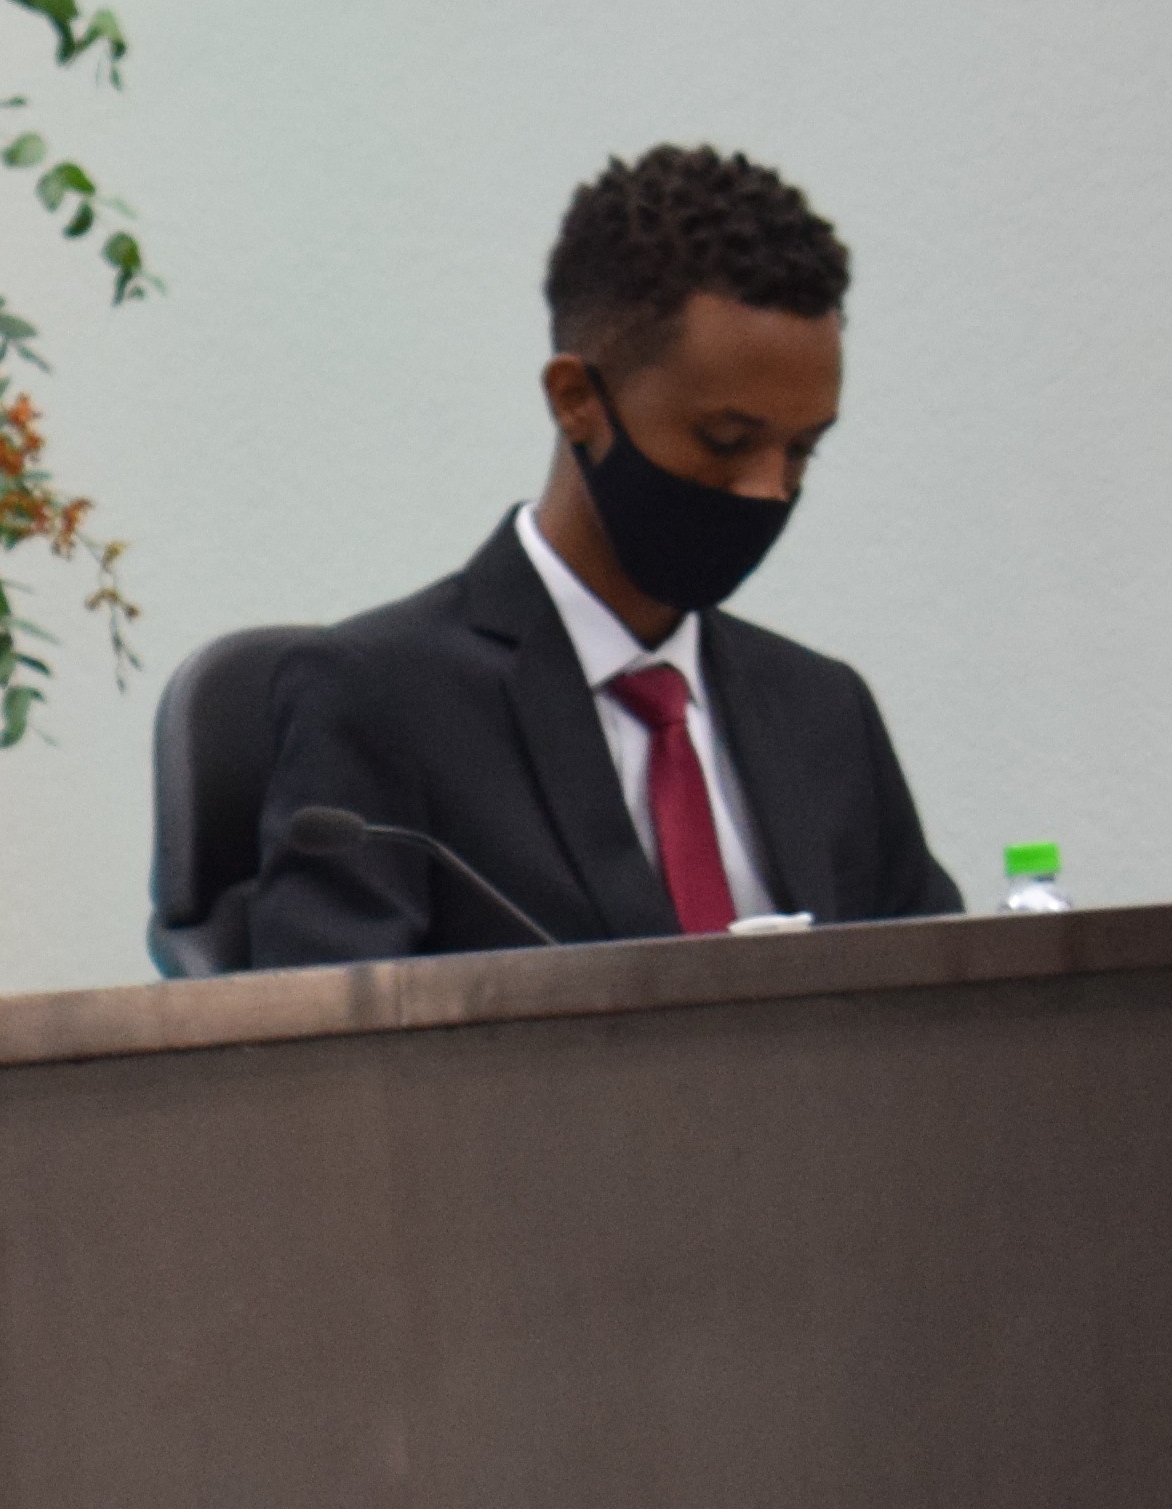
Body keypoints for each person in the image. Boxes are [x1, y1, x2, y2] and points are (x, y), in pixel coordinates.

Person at [247, 146, 952, 964]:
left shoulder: (825, 712)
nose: (767, 490)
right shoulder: (380, 697)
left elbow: (946, 1013)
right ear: (577, 400)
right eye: (726, 441)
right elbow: (338, 1031)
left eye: (802, 452)